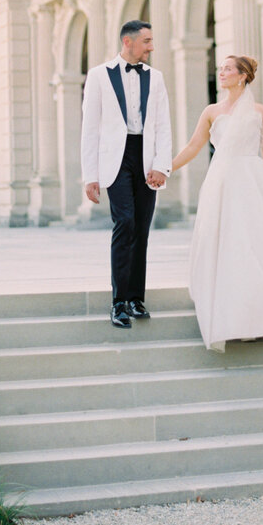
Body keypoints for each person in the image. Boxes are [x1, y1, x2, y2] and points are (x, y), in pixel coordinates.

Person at [171, 55, 263, 352]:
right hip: (221, 181)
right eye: (220, 69)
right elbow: (193, 146)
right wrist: (166, 168)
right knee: (227, 241)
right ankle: (230, 309)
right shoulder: (211, 111)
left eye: (227, 69)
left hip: (251, 181)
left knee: (256, 240)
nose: (221, 73)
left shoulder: (260, 111)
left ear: (242, 76)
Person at [81, 20, 172, 329]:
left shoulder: (156, 78)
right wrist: (89, 175)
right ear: (128, 42)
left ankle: (136, 297)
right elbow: (90, 129)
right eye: (147, 41)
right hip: (115, 160)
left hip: (145, 157)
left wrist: (161, 165)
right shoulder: (98, 76)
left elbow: (162, 125)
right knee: (126, 222)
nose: (151, 47)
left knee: (142, 228)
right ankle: (118, 301)